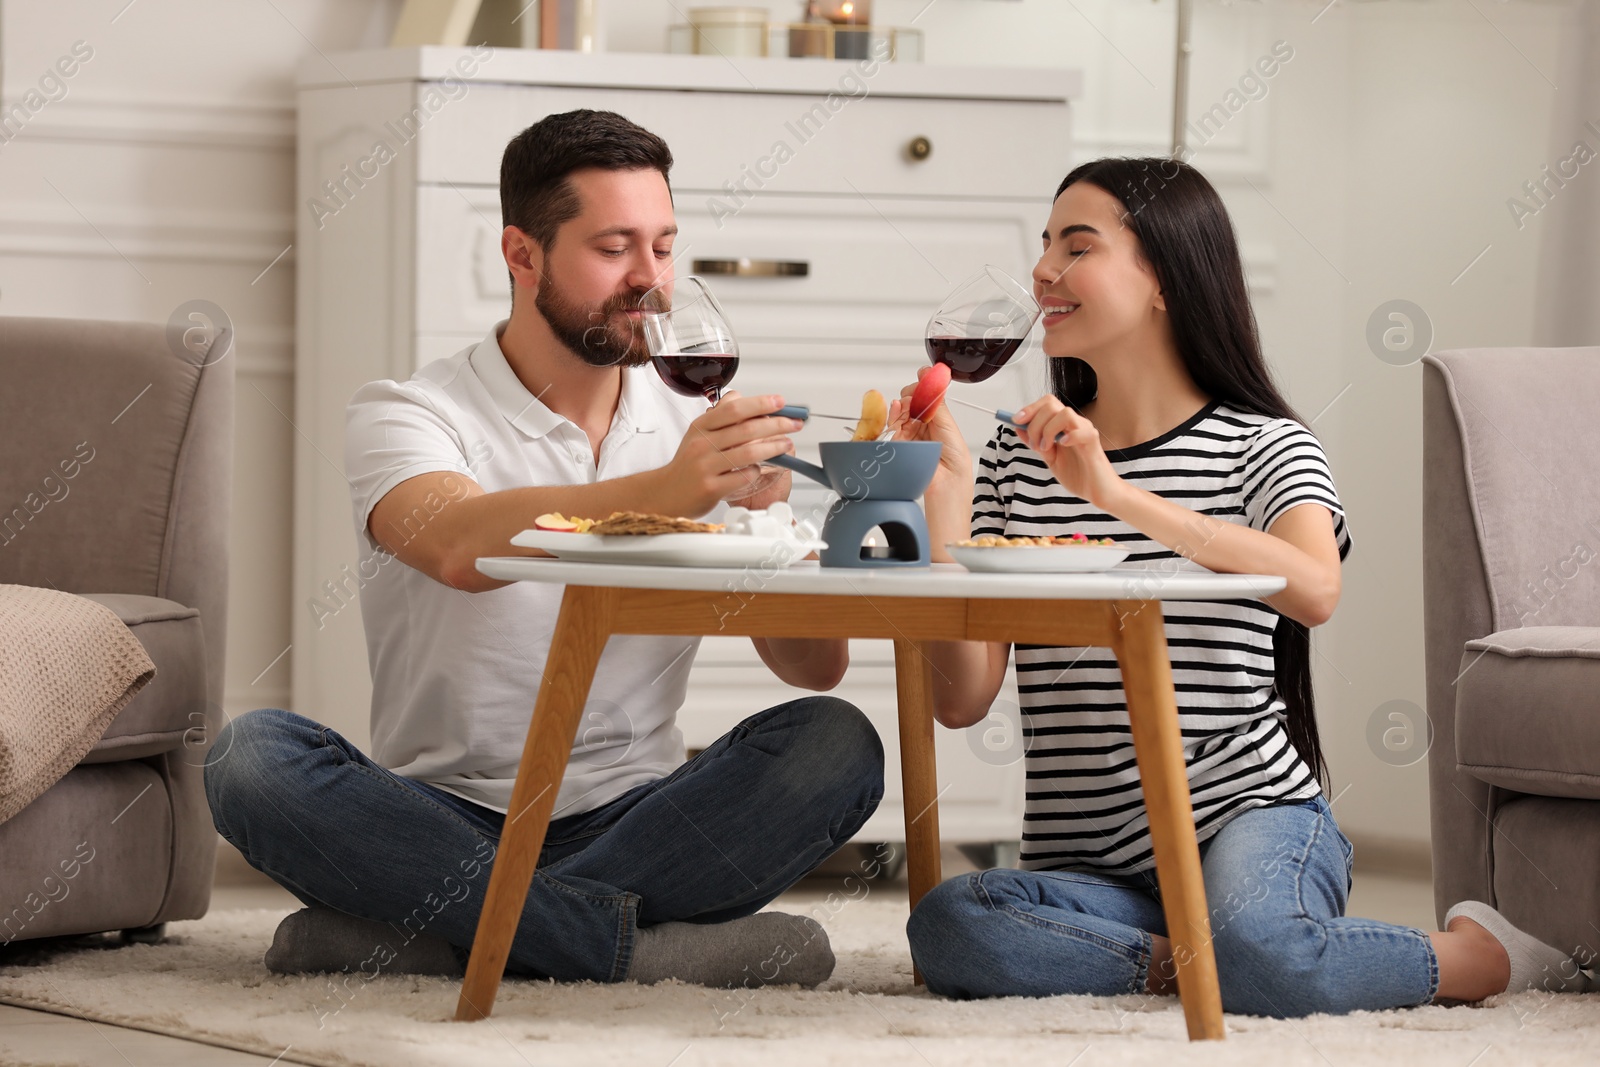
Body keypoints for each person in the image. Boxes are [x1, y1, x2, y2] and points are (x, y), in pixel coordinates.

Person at [892, 157, 1589, 1017]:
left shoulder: (1263, 446)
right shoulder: (1010, 461)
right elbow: (961, 702)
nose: (1043, 270)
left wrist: (1113, 495)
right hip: (1088, 863)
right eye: (1045, 244)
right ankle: (1206, 955)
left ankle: (1479, 953)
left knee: (1260, 947)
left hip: (1248, 819)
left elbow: (1312, 587)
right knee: (953, 922)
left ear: (1165, 280)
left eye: (1078, 247)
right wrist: (946, 506)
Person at [204, 109, 883, 989]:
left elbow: (811, 666)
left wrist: (775, 528)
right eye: (614, 248)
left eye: (665, 246)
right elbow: (454, 544)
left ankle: (448, 937)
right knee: (248, 758)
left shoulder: (696, 427)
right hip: (441, 815)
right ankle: (634, 949)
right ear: (522, 255)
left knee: (836, 744)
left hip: (637, 814)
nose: (652, 280)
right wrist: (668, 491)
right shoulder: (407, 412)